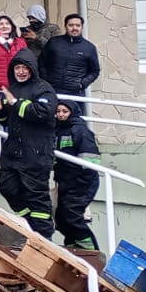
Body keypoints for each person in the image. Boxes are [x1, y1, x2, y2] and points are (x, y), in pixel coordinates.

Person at [0, 49, 58, 238]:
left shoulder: (44, 88)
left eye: (24, 68)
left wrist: (16, 103)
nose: (20, 71)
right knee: (7, 188)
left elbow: (42, 113)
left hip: (35, 153)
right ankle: (29, 225)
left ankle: (44, 236)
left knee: (37, 197)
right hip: (12, 153)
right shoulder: (12, 89)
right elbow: (5, 119)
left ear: (32, 69)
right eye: (17, 67)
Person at [53, 100, 101, 250]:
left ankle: (91, 250)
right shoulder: (57, 131)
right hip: (65, 181)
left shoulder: (81, 131)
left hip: (82, 181)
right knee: (61, 217)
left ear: (72, 112)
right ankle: (74, 246)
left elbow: (90, 160)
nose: (61, 114)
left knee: (72, 214)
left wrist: (82, 181)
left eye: (64, 111)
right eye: (58, 111)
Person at [39, 14, 101, 114]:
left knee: (75, 124)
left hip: (75, 94)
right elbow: (41, 62)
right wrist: (46, 81)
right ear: (65, 26)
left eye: (77, 25)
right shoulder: (53, 43)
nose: (74, 28)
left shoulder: (89, 48)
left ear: (82, 27)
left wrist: (81, 84)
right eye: (71, 25)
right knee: (50, 122)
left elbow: (94, 71)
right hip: (52, 91)